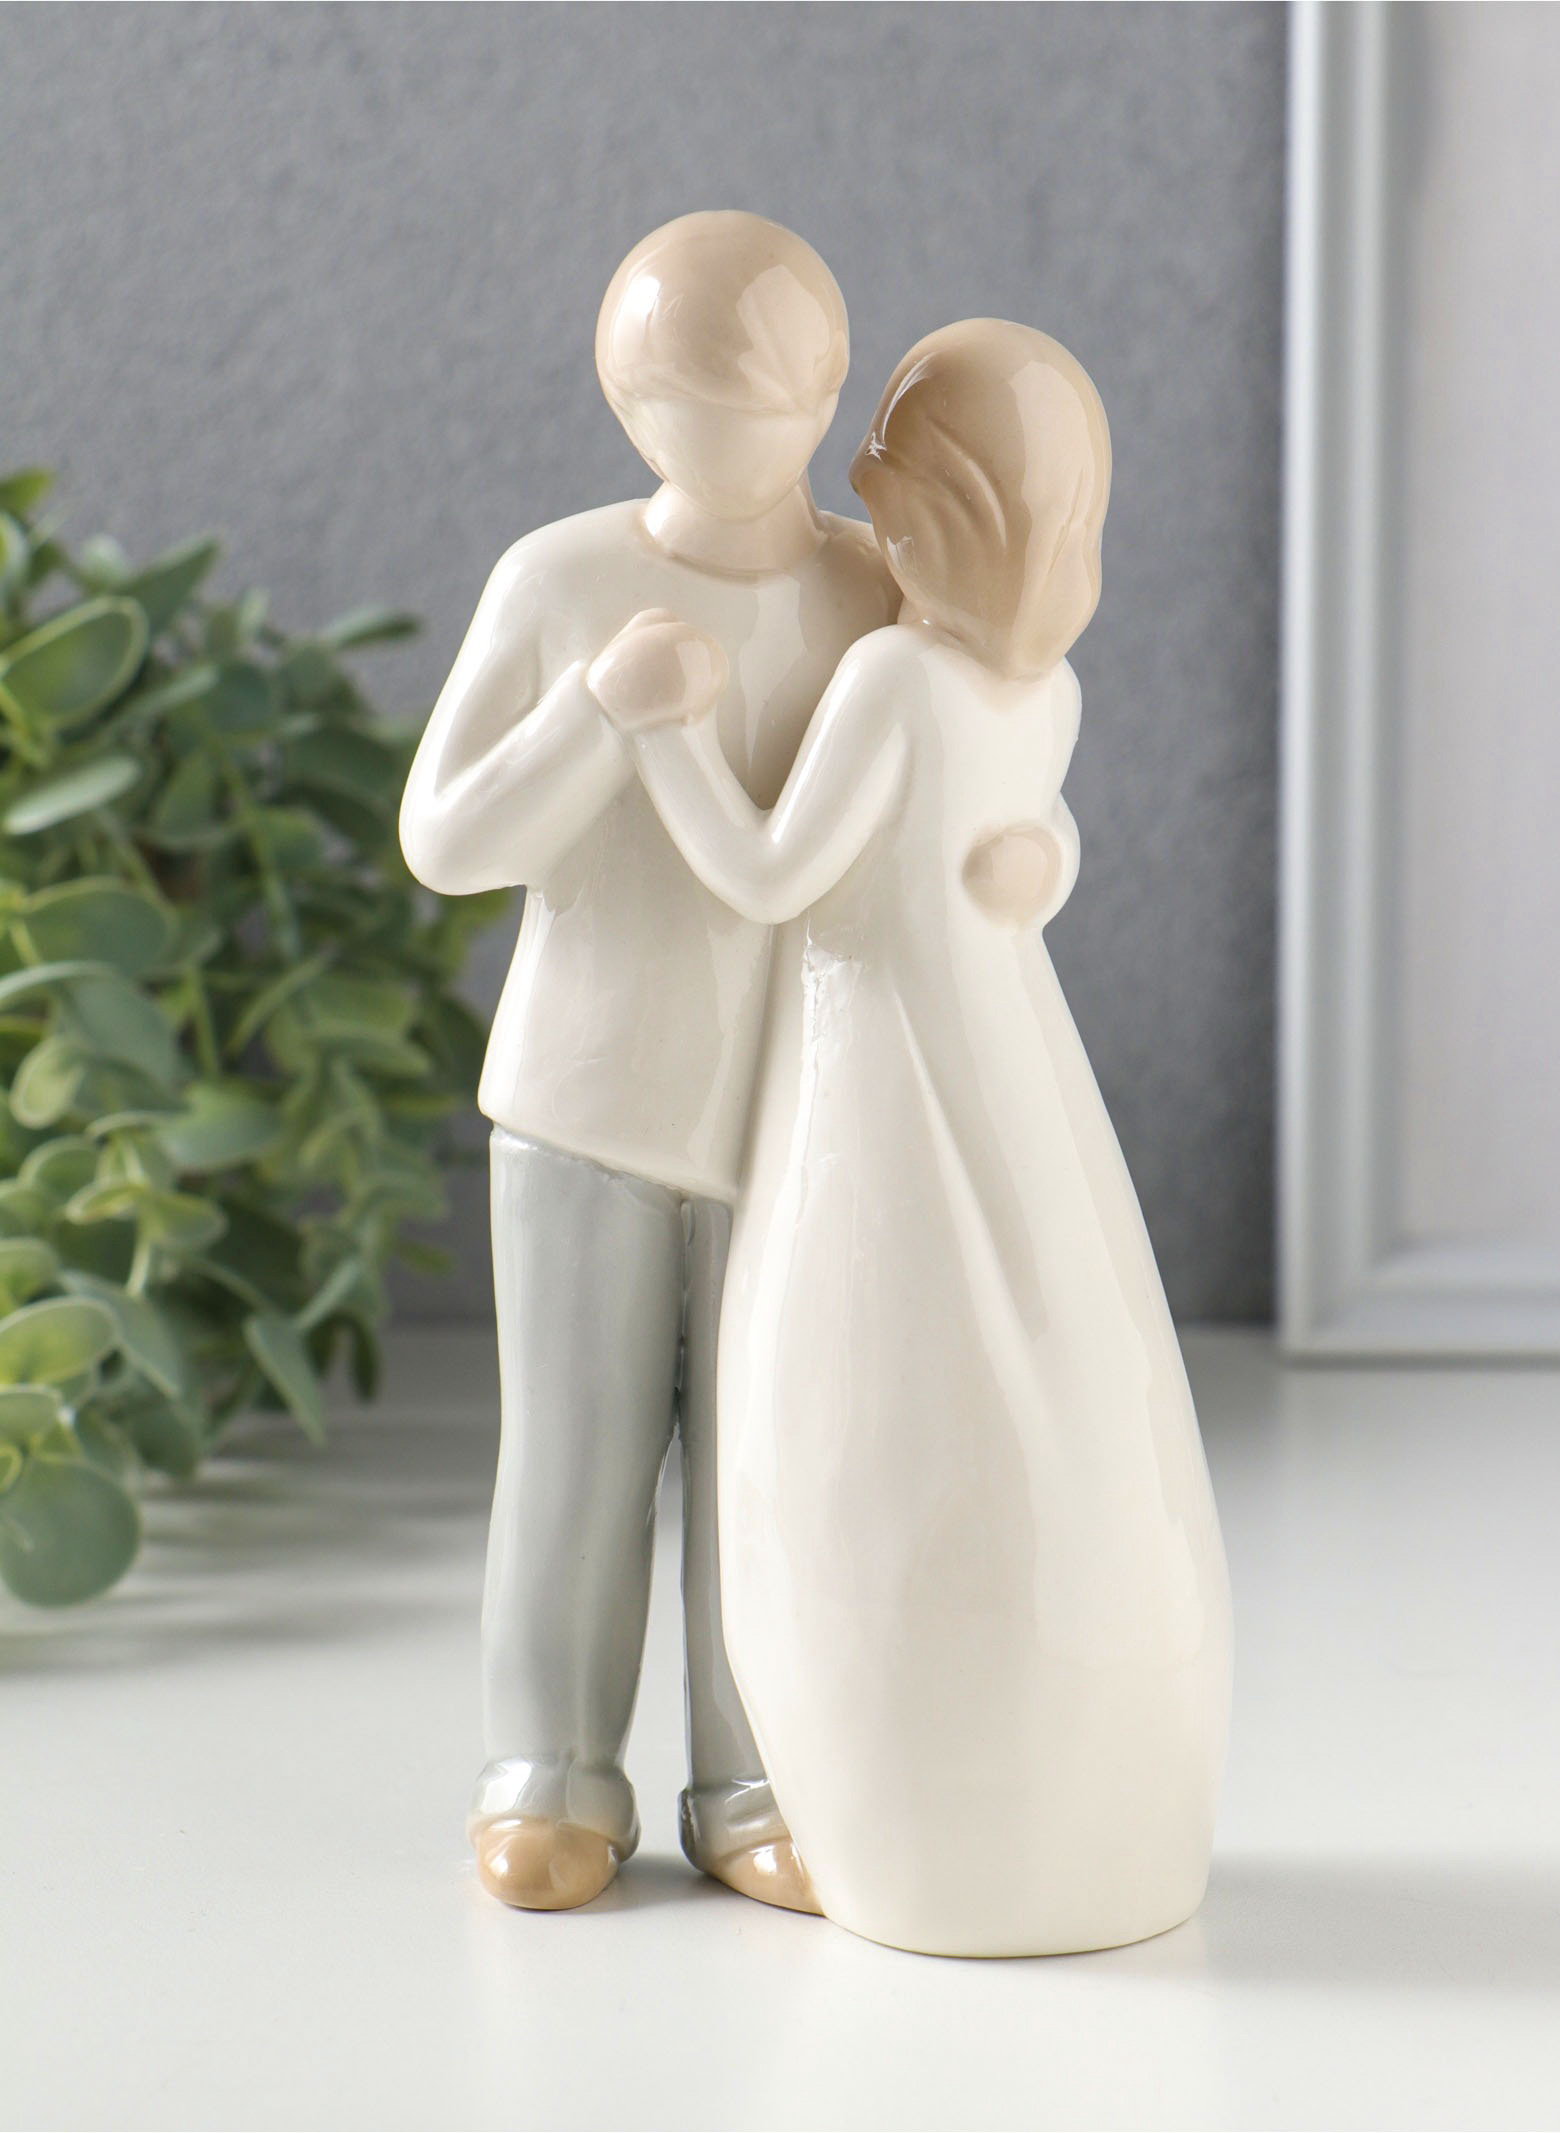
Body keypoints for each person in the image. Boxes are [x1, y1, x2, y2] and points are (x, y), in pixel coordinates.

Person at [589, 321, 1233, 1957]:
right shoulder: (1044, 685)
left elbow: (767, 875)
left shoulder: (893, 678)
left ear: (940, 514)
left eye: (887, 464)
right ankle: (1081, 1813)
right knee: (1060, 1357)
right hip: (1007, 1051)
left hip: (871, 1057)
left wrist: (661, 730)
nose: (858, 488)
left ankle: (919, 1828)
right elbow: (1036, 838)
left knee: (861, 1383)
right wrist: (1036, 868)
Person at [400, 212, 894, 1914]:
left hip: (800, 1100)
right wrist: (595, 714)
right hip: (588, 1095)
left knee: (773, 1449)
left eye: (777, 397)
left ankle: (760, 1773)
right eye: (696, 401)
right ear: (627, 405)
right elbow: (448, 839)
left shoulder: (866, 590)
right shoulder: (559, 581)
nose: (744, 434)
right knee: (576, 1455)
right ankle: (549, 1766)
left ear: (828, 390)